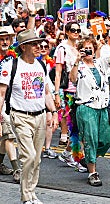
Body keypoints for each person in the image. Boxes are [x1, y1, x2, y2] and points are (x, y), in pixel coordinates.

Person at [0, 29, 58, 204]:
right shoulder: (11, 65)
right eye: (34, 44)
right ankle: (25, 196)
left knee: (37, 159)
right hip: (20, 116)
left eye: (38, 43)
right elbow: (2, 93)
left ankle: (32, 193)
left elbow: (46, 92)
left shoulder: (41, 65)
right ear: (24, 47)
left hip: (40, 116)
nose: (38, 47)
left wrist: (53, 112)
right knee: (29, 155)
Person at [70, 31, 110, 186]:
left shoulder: (100, 63)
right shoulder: (78, 66)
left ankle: (88, 158)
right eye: (84, 49)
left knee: (107, 139)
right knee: (90, 140)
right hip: (86, 108)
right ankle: (93, 172)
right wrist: (77, 61)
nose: (88, 52)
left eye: (90, 48)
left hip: (102, 107)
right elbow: (72, 79)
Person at [54, 22, 87, 173]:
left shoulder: (79, 47)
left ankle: (68, 153)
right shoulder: (62, 48)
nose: (76, 32)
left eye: (78, 30)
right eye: (73, 30)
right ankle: (77, 158)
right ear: (66, 32)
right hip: (69, 91)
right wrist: (56, 94)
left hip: (82, 89)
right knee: (75, 126)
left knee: (79, 126)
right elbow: (58, 73)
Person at [0, 26, 21, 183]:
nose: (5, 42)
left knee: (4, 136)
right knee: (8, 135)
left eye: (7, 39)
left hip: (9, 101)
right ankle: (17, 169)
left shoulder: (13, 57)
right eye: (1, 39)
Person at [38, 39, 58, 159]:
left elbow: (56, 78)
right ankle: (38, 147)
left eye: (46, 46)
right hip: (38, 95)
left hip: (49, 94)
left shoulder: (52, 63)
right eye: (41, 46)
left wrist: (56, 94)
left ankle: (48, 148)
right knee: (40, 123)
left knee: (49, 121)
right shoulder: (35, 62)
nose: (44, 48)